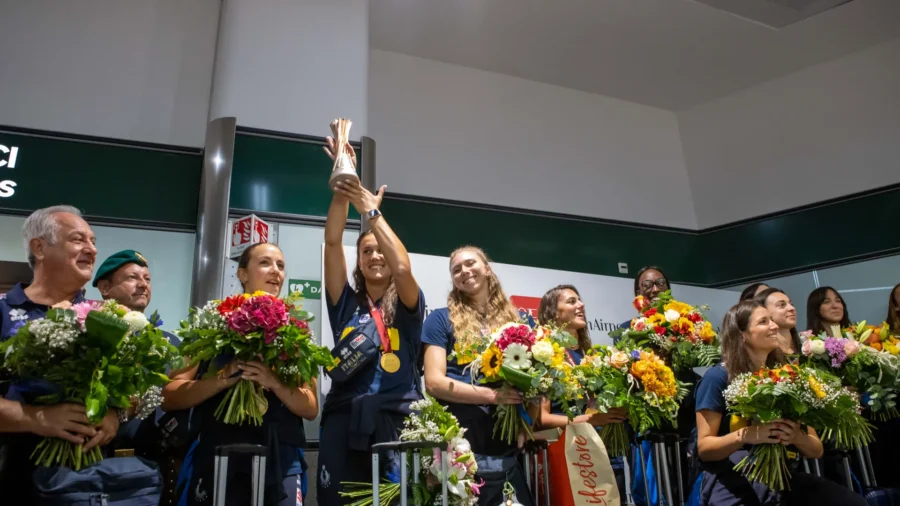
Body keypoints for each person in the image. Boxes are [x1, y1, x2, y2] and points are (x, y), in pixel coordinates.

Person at [165, 243, 317, 506]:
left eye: (280, 266)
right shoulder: (212, 321)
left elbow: (311, 407)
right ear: (242, 274)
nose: (276, 271)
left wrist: (274, 382)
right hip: (219, 456)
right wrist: (220, 381)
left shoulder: (297, 331)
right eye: (265, 263)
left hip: (280, 458)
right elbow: (169, 395)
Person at [317, 138, 425, 506]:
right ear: (359, 261)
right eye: (366, 251)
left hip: (398, 423)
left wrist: (371, 212)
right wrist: (342, 185)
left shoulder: (409, 302)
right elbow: (332, 245)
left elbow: (402, 266)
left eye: (379, 248)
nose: (375, 255)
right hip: (344, 422)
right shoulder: (345, 303)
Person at [695, 300, 865, 506]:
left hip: (783, 479)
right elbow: (704, 448)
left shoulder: (789, 376)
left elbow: (816, 449)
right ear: (742, 335)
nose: (774, 326)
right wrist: (748, 435)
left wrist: (795, 436)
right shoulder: (718, 377)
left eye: (772, 320)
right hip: (735, 479)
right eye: (764, 322)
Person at [0, 205, 119, 496]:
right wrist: (37, 418)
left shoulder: (109, 318)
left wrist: (115, 414)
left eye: (93, 241)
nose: (91, 249)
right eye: (78, 240)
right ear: (39, 248)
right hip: (13, 477)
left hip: (90, 483)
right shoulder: (3, 310)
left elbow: (128, 390)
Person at [422, 246, 536, 506]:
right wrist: (494, 396)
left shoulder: (520, 322)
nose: (464, 271)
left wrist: (526, 422)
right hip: (459, 458)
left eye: (470, 263)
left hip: (507, 458)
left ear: (487, 268)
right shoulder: (440, 320)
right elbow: (434, 383)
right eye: (456, 270)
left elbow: (537, 381)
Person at [93, 249, 184, 505]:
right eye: (132, 277)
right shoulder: (90, 332)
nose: (143, 284)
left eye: (147, 278)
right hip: (97, 459)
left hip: (154, 465)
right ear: (105, 287)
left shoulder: (171, 342)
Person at [535, 284, 628, 498]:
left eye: (580, 300)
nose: (581, 304)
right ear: (553, 313)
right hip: (570, 456)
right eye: (571, 301)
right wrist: (589, 420)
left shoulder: (593, 355)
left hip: (607, 454)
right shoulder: (545, 355)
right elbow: (541, 418)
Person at [754, 287, 801, 356]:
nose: (792, 308)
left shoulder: (806, 348)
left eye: (791, 304)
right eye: (782, 305)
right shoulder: (764, 356)